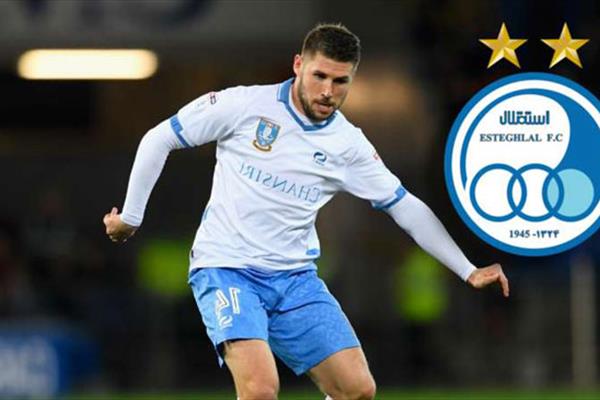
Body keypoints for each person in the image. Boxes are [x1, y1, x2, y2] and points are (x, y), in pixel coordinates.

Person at [103, 23, 509, 400]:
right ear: (299, 65)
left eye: (340, 81)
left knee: (358, 389)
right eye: (320, 76)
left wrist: (467, 269)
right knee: (260, 390)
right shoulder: (244, 105)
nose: (328, 91)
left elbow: (405, 207)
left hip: (295, 279)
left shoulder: (348, 144)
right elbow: (160, 138)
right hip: (226, 268)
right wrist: (131, 217)